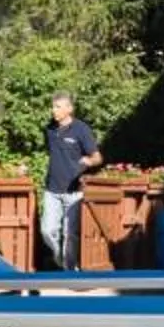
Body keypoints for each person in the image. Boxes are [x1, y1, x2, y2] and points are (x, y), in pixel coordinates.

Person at [39, 91, 100, 269]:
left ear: (69, 109)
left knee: (70, 234)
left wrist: (89, 161)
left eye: (58, 107)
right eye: (53, 106)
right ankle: (59, 257)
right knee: (47, 230)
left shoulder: (81, 129)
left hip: (74, 192)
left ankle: (69, 270)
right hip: (52, 190)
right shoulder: (49, 129)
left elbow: (98, 157)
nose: (53, 110)